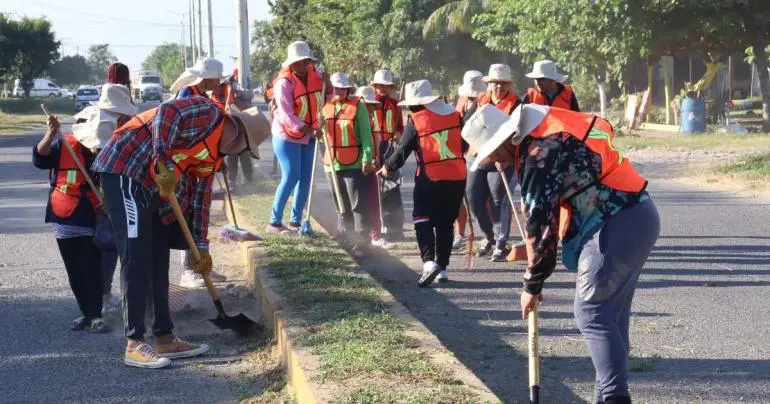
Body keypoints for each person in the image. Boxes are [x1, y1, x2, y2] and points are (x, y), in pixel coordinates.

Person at [463, 104, 659, 404]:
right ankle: (607, 396)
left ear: (504, 141)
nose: (494, 161)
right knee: (609, 317)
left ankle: (615, 398)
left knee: (592, 314)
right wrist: (530, 259)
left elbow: (541, 225)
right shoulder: (543, 137)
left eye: (492, 153)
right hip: (637, 215)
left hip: (617, 222)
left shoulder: (535, 156)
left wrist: (532, 284)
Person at [92, 96, 269, 369]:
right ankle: (134, 342)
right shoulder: (209, 113)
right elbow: (167, 113)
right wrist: (163, 160)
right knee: (136, 254)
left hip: (151, 189)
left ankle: (164, 337)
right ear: (237, 131)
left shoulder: (213, 159)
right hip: (124, 170)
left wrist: (201, 247)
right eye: (242, 148)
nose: (236, 154)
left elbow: (201, 202)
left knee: (159, 255)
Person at [380, 80, 467, 286]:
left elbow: (402, 151)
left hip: (430, 176)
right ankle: (442, 268)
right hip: (457, 176)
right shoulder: (455, 116)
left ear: (417, 104)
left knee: (422, 219)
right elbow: (464, 143)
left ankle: (429, 262)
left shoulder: (417, 120)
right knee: (446, 223)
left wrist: (387, 168)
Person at [33, 113, 114, 334]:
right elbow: (40, 159)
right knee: (74, 270)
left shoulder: (109, 147)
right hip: (65, 214)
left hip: (94, 216)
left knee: (92, 268)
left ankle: (97, 314)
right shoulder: (64, 144)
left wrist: (109, 202)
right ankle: (87, 314)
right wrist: (49, 135)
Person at [75, 83, 139, 315]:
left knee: (121, 248)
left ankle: (125, 297)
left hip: (120, 193)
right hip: (99, 197)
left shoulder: (125, 126)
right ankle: (103, 296)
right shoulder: (99, 124)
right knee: (108, 246)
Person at [268, 41, 328, 234]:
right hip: (287, 136)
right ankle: (274, 222)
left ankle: (295, 222)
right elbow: (285, 113)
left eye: (306, 62)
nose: (302, 66)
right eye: (299, 63)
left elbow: (328, 98)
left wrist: (330, 85)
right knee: (291, 175)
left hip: (310, 135)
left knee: (306, 178)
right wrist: (307, 130)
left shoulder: (317, 76)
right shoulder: (284, 83)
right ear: (290, 65)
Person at [466, 64, 520, 261]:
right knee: (473, 197)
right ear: (489, 84)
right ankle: (488, 237)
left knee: (499, 199)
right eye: (495, 83)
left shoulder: (517, 104)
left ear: (509, 85)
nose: (498, 87)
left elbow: (519, 135)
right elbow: (467, 124)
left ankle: (500, 242)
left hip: (502, 160)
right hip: (478, 155)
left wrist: (509, 159)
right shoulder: (481, 99)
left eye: (503, 83)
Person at [321, 73, 376, 255]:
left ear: (348, 89)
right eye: (335, 88)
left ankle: (362, 241)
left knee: (357, 204)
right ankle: (347, 235)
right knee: (340, 204)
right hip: (331, 164)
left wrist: (367, 158)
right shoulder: (325, 108)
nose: (338, 91)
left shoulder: (358, 107)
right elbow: (322, 138)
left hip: (353, 163)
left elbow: (367, 136)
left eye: (342, 88)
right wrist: (317, 130)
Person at [369, 69, 405, 241]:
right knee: (374, 189)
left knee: (392, 187)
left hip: (390, 148)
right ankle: (376, 226)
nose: (383, 89)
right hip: (374, 147)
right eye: (380, 86)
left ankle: (395, 228)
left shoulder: (395, 105)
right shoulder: (367, 103)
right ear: (374, 86)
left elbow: (400, 127)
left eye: (387, 86)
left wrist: (398, 134)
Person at [355, 86, 393, 249]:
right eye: (367, 105)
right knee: (366, 202)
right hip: (362, 165)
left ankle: (372, 236)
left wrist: (377, 160)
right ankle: (372, 236)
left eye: (371, 105)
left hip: (370, 164)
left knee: (370, 201)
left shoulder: (370, 118)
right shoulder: (356, 119)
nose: (370, 108)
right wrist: (368, 162)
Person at [452, 70, 486, 250]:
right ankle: (460, 234)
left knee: (480, 197)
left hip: (480, 153)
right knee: (459, 196)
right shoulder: (461, 101)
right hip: (461, 153)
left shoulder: (486, 102)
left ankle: (486, 235)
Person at [215, 68, 257, 186]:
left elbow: (249, 94)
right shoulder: (222, 91)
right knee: (232, 154)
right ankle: (232, 180)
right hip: (230, 127)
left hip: (243, 125)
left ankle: (248, 179)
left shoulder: (241, 90)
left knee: (244, 154)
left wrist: (236, 89)